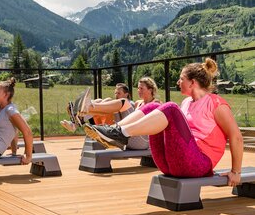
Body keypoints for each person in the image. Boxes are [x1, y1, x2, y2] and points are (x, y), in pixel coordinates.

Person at [84, 58, 243, 186]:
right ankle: (116, 131)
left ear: (192, 82)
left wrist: (236, 172)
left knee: (171, 108)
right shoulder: (187, 102)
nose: (178, 82)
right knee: (154, 105)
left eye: (181, 79)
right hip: (170, 164)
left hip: (198, 164)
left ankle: (121, 134)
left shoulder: (216, 104)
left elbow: (236, 137)